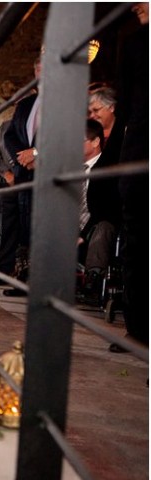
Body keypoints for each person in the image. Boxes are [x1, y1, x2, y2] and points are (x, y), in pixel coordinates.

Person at [111, 2, 149, 351]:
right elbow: (124, 108)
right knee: (136, 240)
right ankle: (137, 327)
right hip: (138, 151)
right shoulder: (135, 41)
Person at [2, 56, 41, 297]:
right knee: (25, 225)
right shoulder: (26, 104)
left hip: (49, 171)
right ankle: (25, 280)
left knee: (43, 224)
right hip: (24, 171)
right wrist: (24, 156)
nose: (41, 75)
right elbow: (9, 135)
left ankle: (42, 281)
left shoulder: (65, 102)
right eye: (38, 70)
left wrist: (36, 152)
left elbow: (64, 134)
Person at [78, 119, 120, 305]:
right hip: (72, 223)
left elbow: (105, 209)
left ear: (95, 142)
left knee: (103, 228)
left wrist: (82, 234)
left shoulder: (108, 169)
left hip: (97, 224)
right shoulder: (72, 169)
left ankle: (93, 282)